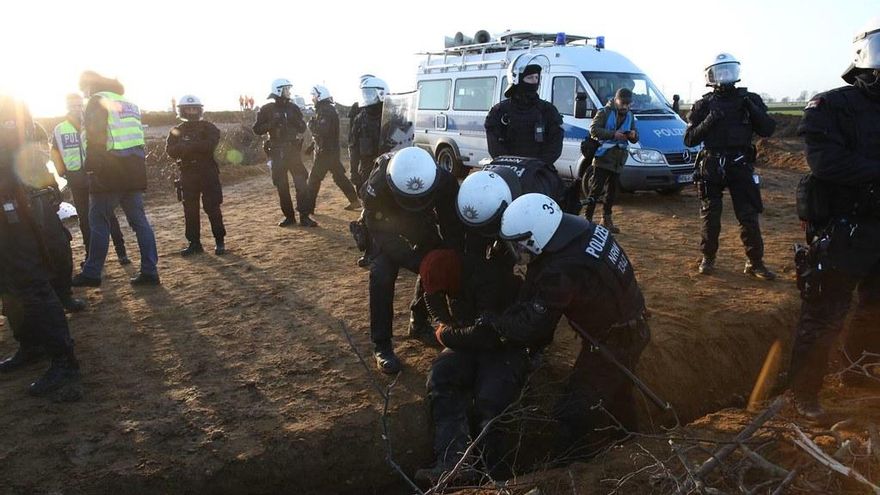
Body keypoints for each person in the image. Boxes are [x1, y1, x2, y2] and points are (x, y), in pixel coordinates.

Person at [434, 193, 649, 462]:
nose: (516, 252)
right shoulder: (573, 230)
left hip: (617, 339)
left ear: (534, 238)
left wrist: (494, 323)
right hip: (625, 321)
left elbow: (531, 326)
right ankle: (631, 445)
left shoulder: (561, 270)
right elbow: (536, 285)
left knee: (573, 412)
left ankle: (575, 470)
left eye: (518, 245)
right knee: (617, 393)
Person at [788, 20, 880, 419]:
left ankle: (859, 372)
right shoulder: (833, 106)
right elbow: (825, 161)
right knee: (824, 312)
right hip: (845, 227)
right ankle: (802, 395)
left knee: (874, 308)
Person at [0, 96, 82, 399]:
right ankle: (29, 345)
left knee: (31, 282)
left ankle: (64, 360)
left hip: (16, 209)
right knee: (7, 284)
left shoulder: (10, 108)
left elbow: (20, 157)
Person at [361, 146, 463, 374]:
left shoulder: (444, 182)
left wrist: (449, 256)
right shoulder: (377, 185)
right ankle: (382, 345)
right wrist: (413, 260)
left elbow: (450, 225)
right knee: (382, 275)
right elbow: (375, 225)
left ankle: (418, 322)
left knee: (434, 262)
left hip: (421, 221)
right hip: (385, 223)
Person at [684, 53, 777, 279]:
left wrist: (752, 109)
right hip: (712, 164)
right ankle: (708, 257)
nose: (724, 76)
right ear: (711, 76)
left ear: (735, 73)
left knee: (748, 215)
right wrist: (709, 121)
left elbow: (767, 129)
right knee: (710, 215)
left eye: (728, 71)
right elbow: (690, 139)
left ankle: (755, 262)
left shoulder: (750, 100)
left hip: (740, 163)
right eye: (720, 71)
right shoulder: (703, 104)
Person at [71, 70, 160, 287]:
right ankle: (150, 271)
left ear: (89, 85)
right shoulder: (128, 102)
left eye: (83, 89)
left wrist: (91, 168)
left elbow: (95, 136)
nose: (83, 95)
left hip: (109, 170)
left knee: (98, 220)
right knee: (139, 222)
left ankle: (92, 273)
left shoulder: (97, 100)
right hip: (134, 170)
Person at [50, 93, 130, 267]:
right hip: (76, 179)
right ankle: (90, 256)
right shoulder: (59, 129)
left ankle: (121, 252)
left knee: (107, 214)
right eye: (72, 105)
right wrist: (63, 173)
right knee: (85, 219)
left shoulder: (93, 124)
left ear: (83, 106)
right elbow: (55, 153)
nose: (76, 108)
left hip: (98, 177)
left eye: (79, 105)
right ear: (67, 106)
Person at [166, 95, 227, 256]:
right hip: (187, 174)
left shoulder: (209, 127)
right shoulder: (176, 130)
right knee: (190, 210)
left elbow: (210, 145)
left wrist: (187, 147)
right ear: (182, 110)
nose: (191, 111)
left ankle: (219, 241)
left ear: (199, 109)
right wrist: (192, 147)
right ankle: (194, 243)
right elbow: (170, 151)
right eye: (188, 108)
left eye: (194, 108)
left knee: (212, 207)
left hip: (208, 172)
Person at [253, 78, 317, 227]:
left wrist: (297, 123)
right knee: (282, 186)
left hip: (293, 152)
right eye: (286, 89)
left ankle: (304, 216)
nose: (289, 92)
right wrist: (271, 124)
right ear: (278, 90)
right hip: (276, 152)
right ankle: (289, 217)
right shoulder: (266, 109)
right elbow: (256, 129)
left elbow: (302, 128)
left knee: (301, 183)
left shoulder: (293, 108)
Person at [484, 56, 563, 170]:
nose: (535, 81)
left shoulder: (548, 110)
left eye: (537, 77)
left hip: (538, 172)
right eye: (530, 77)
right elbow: (494, 146)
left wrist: (537, 166)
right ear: (517, 79)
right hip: (507, 171)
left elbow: (554, 146)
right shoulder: (500, 111)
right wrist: (510, 165)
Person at [582, 88, 638, 233]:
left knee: (612, 192)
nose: (625, 106)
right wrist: (613, 134)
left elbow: (635, 136)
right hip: (603, 158)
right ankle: (586, 221)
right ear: (616, 100)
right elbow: (593, 130)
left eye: (628, 104)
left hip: (618, 160)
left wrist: (633, 135)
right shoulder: (604, 112)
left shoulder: (630, 116)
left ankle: (606, 220)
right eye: (622, 103)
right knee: (595, 191)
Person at [305, 85, 360, 211]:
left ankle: (308, 208)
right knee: (339, 176)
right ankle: (354, 201)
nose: (312, 98)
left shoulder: (326, 110)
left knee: (314, 179)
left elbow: (322, 131)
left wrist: (311, 124)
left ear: (319, 96)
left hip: (326, 152)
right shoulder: (327, 109)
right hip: (330, 150)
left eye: (313, 96)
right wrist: (312, 147)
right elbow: (325, 134)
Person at [349, 76, 388, 191]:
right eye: (364, 93)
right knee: (364, 195)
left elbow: (403, 141)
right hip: (367, 167)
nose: (366, 96)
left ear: (381, 93)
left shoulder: (391, 116)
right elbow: (353, 147)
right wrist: (353, 171)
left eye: (369, 93)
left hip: (388, 167)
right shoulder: (360, 119)